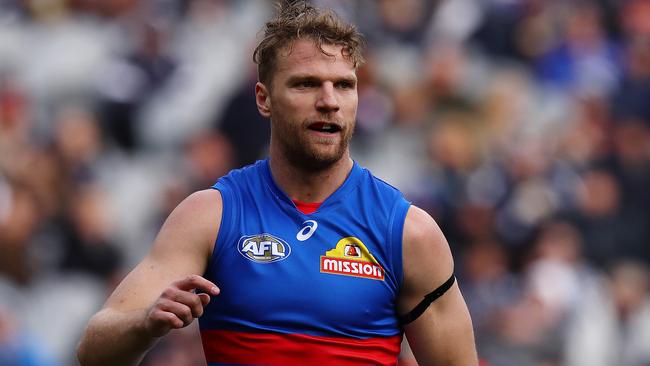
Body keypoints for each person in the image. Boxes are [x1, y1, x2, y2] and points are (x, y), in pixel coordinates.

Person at [76, 2, 477, 365]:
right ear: (263, 98)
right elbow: (93, 350)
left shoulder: (408, 233)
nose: (329, 101)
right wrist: (145, 324)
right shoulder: (211, 215)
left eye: (344, 85)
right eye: (305, 84)